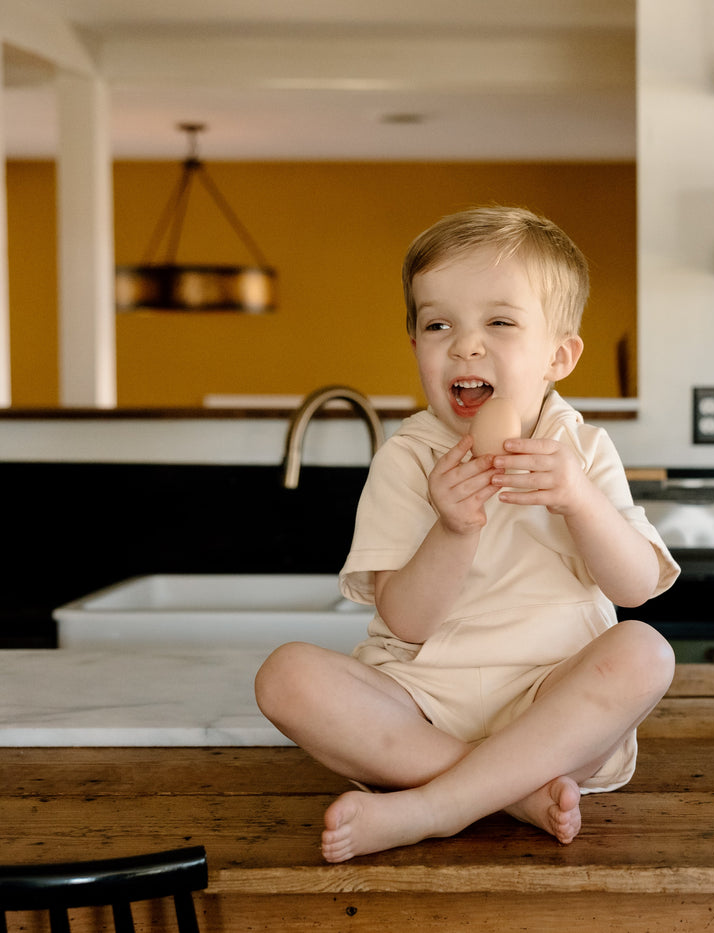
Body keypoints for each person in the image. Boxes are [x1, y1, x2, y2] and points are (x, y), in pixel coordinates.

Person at [255, 205, 679, 863]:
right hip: (424, 707)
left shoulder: (582, 450)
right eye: (438, 323)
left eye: (500, 322)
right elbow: (406, 619)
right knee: (285, 676)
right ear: (415, 345)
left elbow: (636, 585)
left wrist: (579, 499)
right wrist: (452, 527)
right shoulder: (409, 457)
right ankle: (511, 790)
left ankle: (434, 805)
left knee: (646, 652)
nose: (465, 344)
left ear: (559, 356)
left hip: (554, 706)